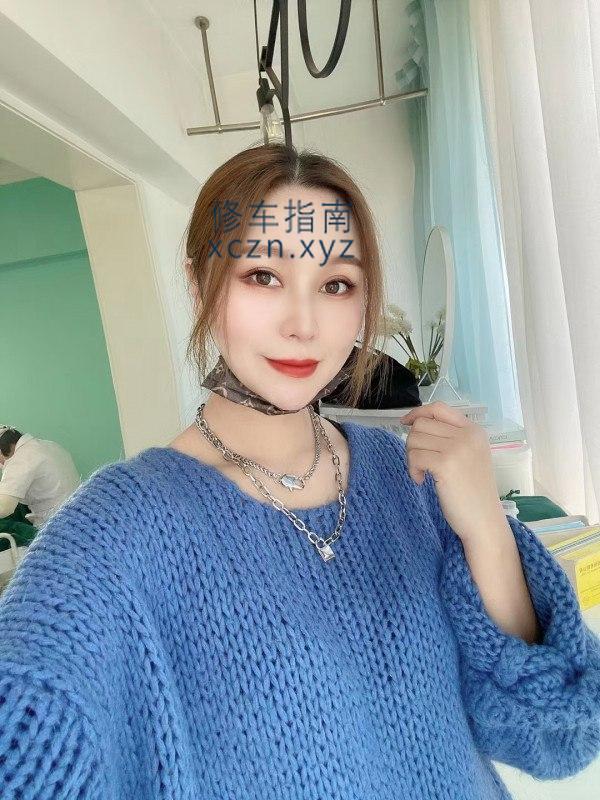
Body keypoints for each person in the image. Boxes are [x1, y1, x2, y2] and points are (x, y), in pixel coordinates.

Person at [0, 142, 599, 800]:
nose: (303, 323)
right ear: (200, 285)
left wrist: (486, 527)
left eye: (336, 284)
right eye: (263, 275)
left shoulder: (406, 477)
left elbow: (554, 737)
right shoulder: (118, 532)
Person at [0, 425, 81, 528]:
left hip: (55, 525)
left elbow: (4, 508)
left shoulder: (20, 460)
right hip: (77, 512)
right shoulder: (48, 445)